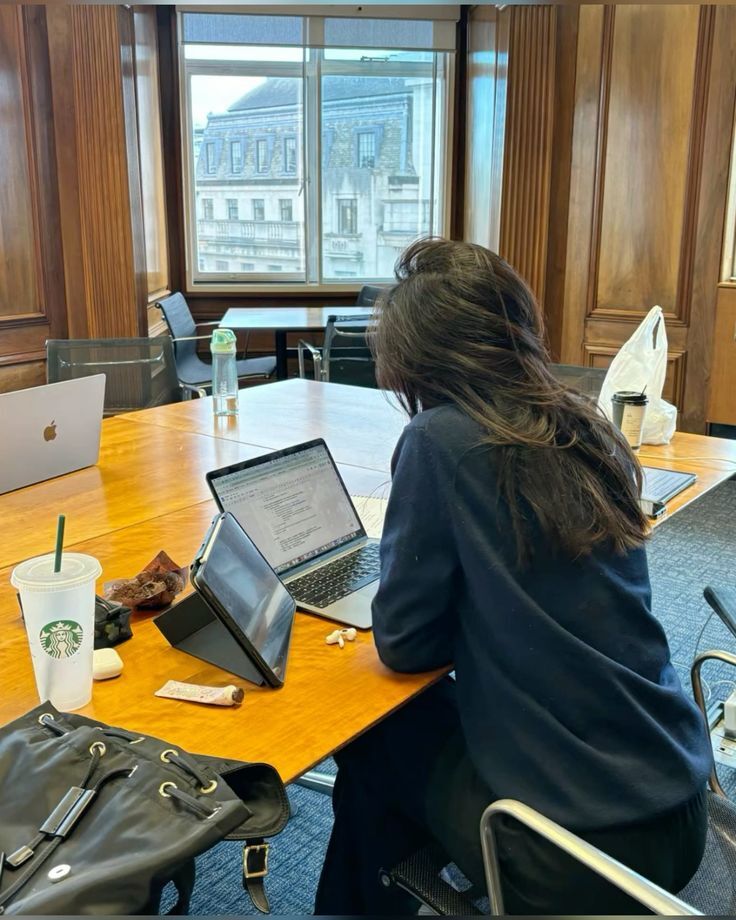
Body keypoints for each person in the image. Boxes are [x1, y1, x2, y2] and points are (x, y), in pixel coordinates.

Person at [313, 239, 712, 915]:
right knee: (425, 730)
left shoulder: (439, 440)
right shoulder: (591, 429)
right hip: (677, 808)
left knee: (375, 738)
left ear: (415, 360)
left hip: (577, 858)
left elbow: (404, 646)